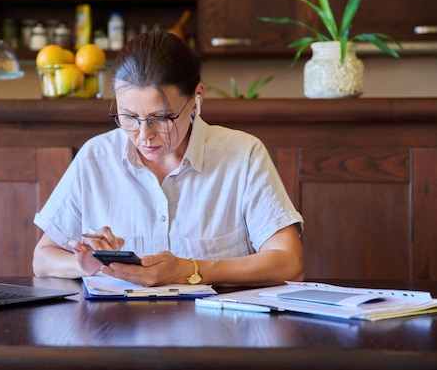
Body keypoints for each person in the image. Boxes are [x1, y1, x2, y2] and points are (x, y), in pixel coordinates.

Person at [33, 31, 303, 287]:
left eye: (161, 118)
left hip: (217, 331)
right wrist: (87, 265)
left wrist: (190, 270)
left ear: (197, 97)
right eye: (128, 117)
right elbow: (42, 258)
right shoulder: (96, 157)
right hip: (117, 329)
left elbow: (290, 262)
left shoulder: (243, 156)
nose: (143, 135)